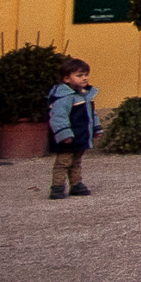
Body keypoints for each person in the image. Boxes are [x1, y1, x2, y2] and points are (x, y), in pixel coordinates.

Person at [47, 58, 98, 200]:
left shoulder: (85, 95)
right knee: (63, 162)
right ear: (66, 78)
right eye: (79, 75)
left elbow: (91, 113)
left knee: (76, 161)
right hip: (67, 137)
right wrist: (64, 134)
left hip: (80, 134)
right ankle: (57, 187)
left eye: (86, 75)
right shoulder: (64, 97)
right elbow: (58, 117)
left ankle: (76, 184)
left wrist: (96, 128)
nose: (84, 78)